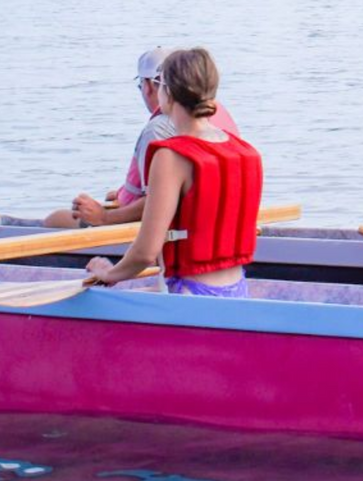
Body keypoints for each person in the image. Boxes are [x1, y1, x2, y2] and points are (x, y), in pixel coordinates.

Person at [88, 47, 261, 297]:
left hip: (191, 295)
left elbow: (146, 251)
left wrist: (109, 273)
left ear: (166, 93)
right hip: (238, 291)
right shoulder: (246, 152)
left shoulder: (170, 157)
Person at [45, 48, 242, 229]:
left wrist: (104, 217)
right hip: (210, 224)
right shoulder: (217, 115)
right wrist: (125, 193)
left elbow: (157, 202)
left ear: (150, 86)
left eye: (141, 85)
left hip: (158, 230)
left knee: (55, 220)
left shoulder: (159, 129)